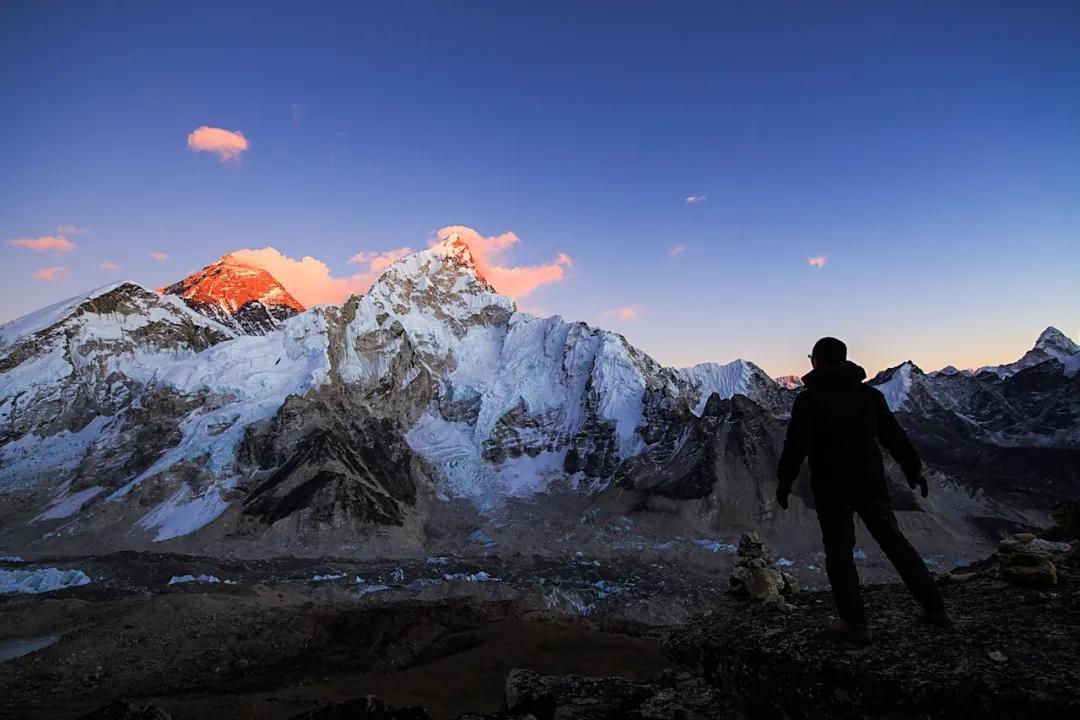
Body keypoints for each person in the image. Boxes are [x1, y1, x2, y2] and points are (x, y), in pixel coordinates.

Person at [775, 336, 950, 645]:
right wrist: (913, 469)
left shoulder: (808, 400)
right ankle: (934, 607)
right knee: (894, 542)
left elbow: (795, 445)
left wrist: (784, 482)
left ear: (816, 361)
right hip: (871, 482)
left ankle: (854, 623)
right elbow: (894, 435)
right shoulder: (868, 395)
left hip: (831, 487)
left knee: (839, 553)